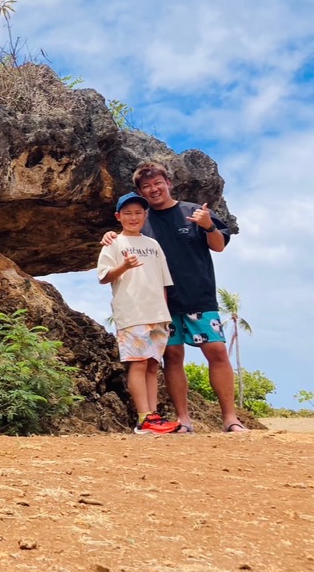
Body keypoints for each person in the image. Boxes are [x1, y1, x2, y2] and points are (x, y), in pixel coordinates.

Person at [103, 161, 246, 433]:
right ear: (141, 192)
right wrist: (110, 235)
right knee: (172, 356)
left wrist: (209, 227)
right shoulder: (143, 220)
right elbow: (124, 238)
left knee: (216, 351)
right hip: (161, 303)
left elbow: (219, 247)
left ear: (169, 183)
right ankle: (183, 420)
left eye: (157, 183)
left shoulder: (193, 211)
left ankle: (230, 418)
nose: (153, 189)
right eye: (146, 187)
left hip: (199, 296)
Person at [97, 192, 180, 434]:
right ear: (118, 216)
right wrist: (124, 265)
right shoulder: (114, 243)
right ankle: (143, 417)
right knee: (138, 363)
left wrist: (165, 313)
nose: (133, 217)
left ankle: (153, 416)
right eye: (128, 213)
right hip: (132, 312)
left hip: (157, 314)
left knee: (153, 364)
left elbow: (163, 282)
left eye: (138, 212)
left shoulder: (153, 245)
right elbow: (103, 277)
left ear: (145, 215)